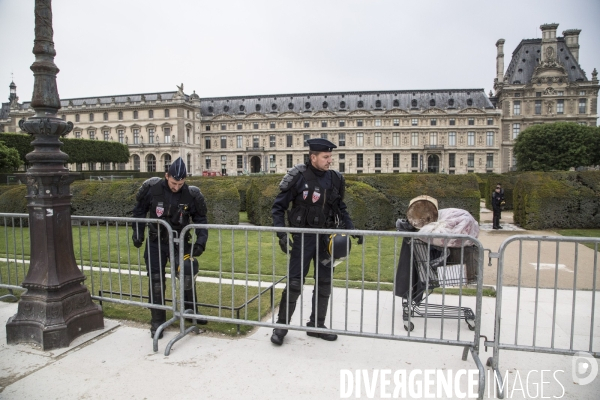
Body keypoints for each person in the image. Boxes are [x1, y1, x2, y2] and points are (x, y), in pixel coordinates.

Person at [270, 138, 362, 346]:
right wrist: (282, 234)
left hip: (326, 241)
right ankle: (281, 326)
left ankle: (317, 326)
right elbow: (278, 208)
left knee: (324, 284)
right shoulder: (298, 177)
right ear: (313, 157)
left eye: (331, 157)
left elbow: (341, 207)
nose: (330, 160)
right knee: (294, 284)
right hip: (303, 239)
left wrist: (352, 229)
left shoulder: (336, 179)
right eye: (326, 157)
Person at [132, 157, 209, 339]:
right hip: (155, 242)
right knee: (157, 281)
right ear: (167, 176)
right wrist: (138, 232)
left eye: (180, 183)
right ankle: (157, 320)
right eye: (174, 183)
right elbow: (139, 210)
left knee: (187, 273)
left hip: (179, 243)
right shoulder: (152, 189)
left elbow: (201, 219)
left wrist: (201, 241)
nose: (176, 187)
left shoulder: (191, 194)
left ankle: (190, 312)